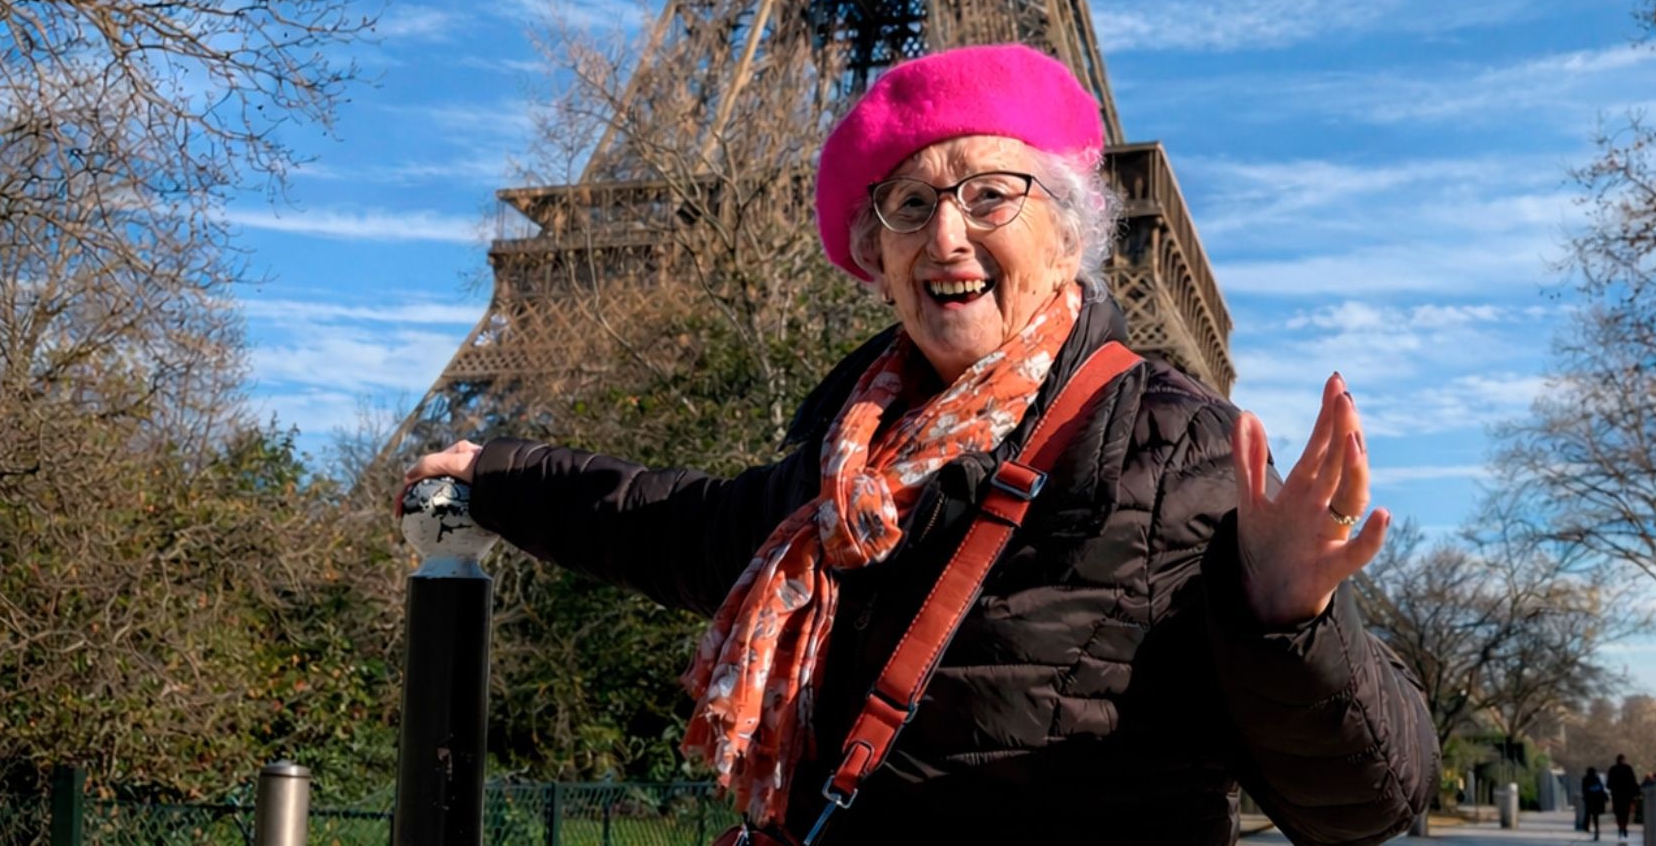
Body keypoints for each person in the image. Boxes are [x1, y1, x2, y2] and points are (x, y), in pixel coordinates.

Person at [403, 44, 1441, 846]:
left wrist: (1287, 620)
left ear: (1067, 229)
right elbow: (678, 525)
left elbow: (1364, 804)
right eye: (909, 204)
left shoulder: (1180, 452)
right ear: (878, 258)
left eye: (990, 193)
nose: (945, 233)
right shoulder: (847, 460)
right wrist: (500, 473)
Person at [1607, 755, 1641, 841]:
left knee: (1618, 812)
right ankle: (1624, 826)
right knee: (1625, 812)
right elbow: (1633, 781)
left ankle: (1620, 826)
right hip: (1626, 795)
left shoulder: (1613, 769)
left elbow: (1609, 783)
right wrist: (1636, 792)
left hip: (1616, 794)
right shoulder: (1628, 768)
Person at [1582, 766, 1609, 840]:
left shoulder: (1585, 779)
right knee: (1595, 815)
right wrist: (1605, 797)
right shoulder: (1596, 778)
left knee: (1588, 813)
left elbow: (1584, 789)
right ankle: (1596, 827)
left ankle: (1586, 827)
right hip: (1597, 800)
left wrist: (1585, 797)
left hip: (1589, 800)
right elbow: (1601, 788)